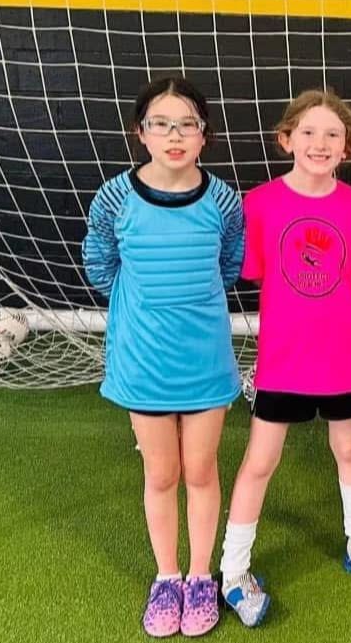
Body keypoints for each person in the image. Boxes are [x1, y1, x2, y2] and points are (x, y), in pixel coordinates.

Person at [217, 88, 351, 629]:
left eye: (332, 134)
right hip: (285, 358)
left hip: (346, 354)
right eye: (308, 132)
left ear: (347, 147)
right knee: (260, 462)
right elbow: (250, 271)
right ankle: (233, 573)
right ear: (286, 140)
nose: (320, 143)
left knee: (350, 450)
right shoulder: (259, 203)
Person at [82, 76, 242, 637]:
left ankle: (202, 578)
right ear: (141, 133)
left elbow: (229, 265)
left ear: (204, 136)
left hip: (204, 361)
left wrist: (190, 307)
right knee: (162, 472)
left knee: (200, 470)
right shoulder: (114, 197)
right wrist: (142, 311)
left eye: (187, 124)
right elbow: (100, 265)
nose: (174, 135)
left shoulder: (222, 198)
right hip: (141, 361)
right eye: (161, 123)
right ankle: (166, 576)